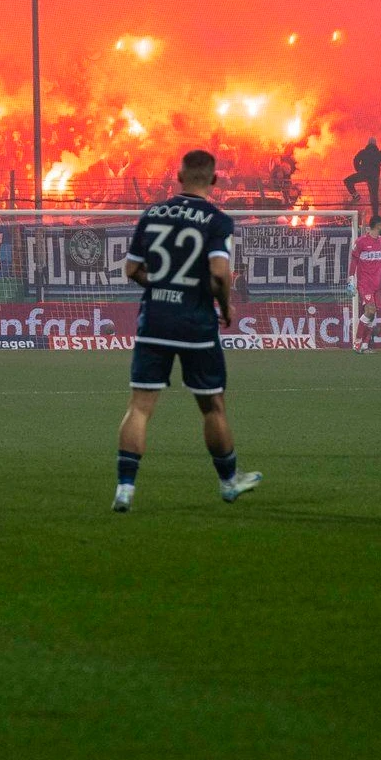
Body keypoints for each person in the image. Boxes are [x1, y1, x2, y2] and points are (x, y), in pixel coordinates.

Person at [113, 148, 261, 512]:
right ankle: (228, 482)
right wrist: (225, 307)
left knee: (140, 407)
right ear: (213, 181)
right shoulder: (216, 220)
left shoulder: (152, 214)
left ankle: (125, 489)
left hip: (155, 321)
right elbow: (219, 272)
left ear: (178, 177)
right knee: (212, 406)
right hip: (195, 323)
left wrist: (161, 285)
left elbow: (131, 270)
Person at [350, 224, 381, 351]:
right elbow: (354, 260)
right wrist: (351, 279)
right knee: (370, 311)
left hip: (377, 284)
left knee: (373, 315)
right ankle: (357, 342)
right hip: (365, 283)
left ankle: (365, 345)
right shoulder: (361, 242)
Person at [343, 137, 381, 218]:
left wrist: (358, 169)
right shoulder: (379, 154)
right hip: (374, 178)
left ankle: (355, 196)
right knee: (374, 197)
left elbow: (355, 160)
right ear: (375, 144)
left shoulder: (363, 152)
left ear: (368, 144)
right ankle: (375, 216)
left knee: (348, 181)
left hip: (363, 174)